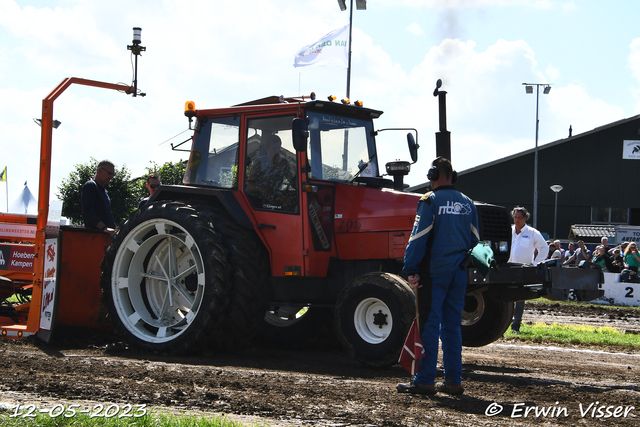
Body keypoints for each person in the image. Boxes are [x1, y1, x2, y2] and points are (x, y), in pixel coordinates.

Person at [397, 157, 479, 396]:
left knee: (429, 326)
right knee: (452, 326)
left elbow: (418, 238)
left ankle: (424, 380)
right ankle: (454, 381)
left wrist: (411, 269)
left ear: (432, 175)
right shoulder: (467, 203)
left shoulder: (429, 201)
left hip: (434, 274)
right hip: (459, 273)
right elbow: (475, 241)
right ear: (453, 176)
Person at [507, 206, 549, 334]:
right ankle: (503, 325)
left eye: (519, 217)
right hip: (507, 268)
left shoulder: (532, 232)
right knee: (506, 297)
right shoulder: (508, 230)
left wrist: (535, 264)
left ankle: (516, 325)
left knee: (519, 298)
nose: (517, 220)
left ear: (525, 218)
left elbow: (544, 248)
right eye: (515, 217)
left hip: (523, 269)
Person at [245, 134, 297, 211]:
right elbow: (249, 185)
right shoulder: (258, 162)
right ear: (267, 148)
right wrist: (262, 189)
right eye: (274, 148)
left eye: (278, 148)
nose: (277, 151)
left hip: (275, 198)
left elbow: (292, 183)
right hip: (258, 199)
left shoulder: (283, 163)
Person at [81, 160, 117, 235]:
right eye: (109, 173)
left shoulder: (104, 191)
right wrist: (104, 228)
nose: (111, 177)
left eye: (113, 175)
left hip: (104, 236)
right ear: (100, 170)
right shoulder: (91, 186)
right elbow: (88, 211)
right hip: (96, 236)